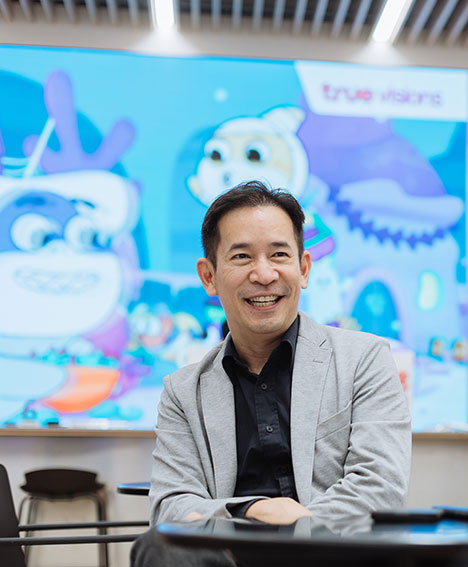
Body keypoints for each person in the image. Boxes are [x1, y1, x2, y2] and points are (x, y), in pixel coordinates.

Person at [132, 180, 411, 565]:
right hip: (228, 558)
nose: (263, 274)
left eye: (279, 254)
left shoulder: (364, 360)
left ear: (304, 268)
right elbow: (171, 506)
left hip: (329, 555)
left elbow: (380, 490)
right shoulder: (183, 391)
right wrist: (252, 511)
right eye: (242, 257)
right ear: (209, 276)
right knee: (159, 545)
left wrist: (299, 526)